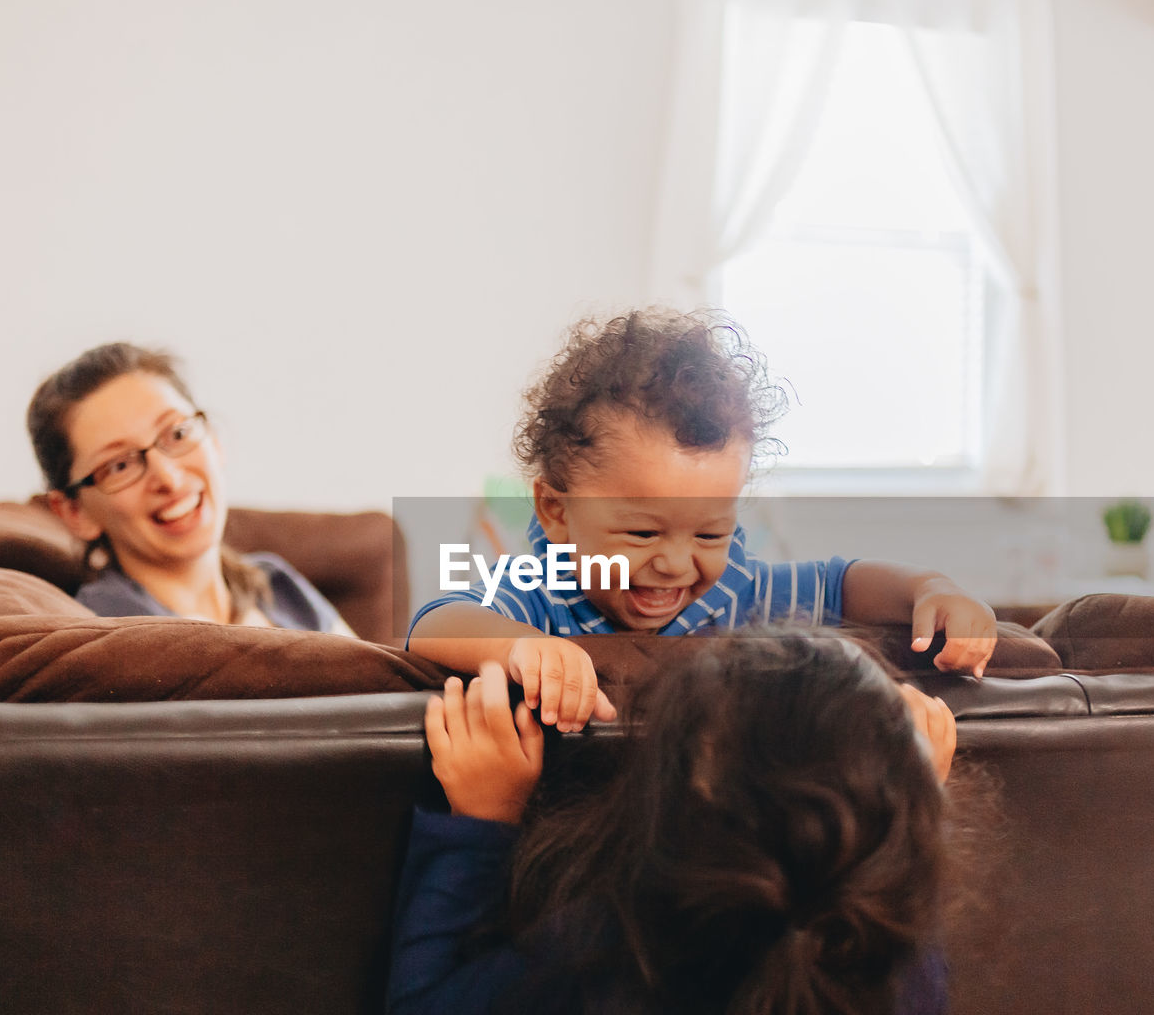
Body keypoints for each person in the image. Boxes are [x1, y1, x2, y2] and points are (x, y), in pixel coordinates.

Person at [387, 626, 961, 1015]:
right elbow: (877, 875)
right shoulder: (903, 955)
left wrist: (484, 819)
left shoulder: (618, 938)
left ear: (675, 789)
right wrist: (913, 799)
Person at [407, 309, 997, 731]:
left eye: (710, 534)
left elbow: (841, 582)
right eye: (642, 533)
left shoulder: (739, 588)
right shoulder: (542, 585)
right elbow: (434, 624)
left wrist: (931, 589)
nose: (675, 563)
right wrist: (523, 649)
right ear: (557, 512)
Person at [27, 342, 351, 632]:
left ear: (213, 437)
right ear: (75, 512)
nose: (169, 478)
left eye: (177, 434)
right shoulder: (110, 633)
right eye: (119, 465)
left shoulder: (275, 583)